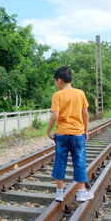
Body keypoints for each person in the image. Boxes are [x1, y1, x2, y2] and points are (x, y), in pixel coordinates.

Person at [46, 66, 93, 202]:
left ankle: (59, 193)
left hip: (61, 134)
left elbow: (55, 115)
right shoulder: (80, 93)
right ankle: (81, 192)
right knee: (79, 162)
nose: (55, 84)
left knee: (60, 161)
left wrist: (48, 131)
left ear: (59, 80)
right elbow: (85, 113)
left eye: (55, 81)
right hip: (78, 134)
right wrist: (86, 130)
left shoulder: (57, 95)